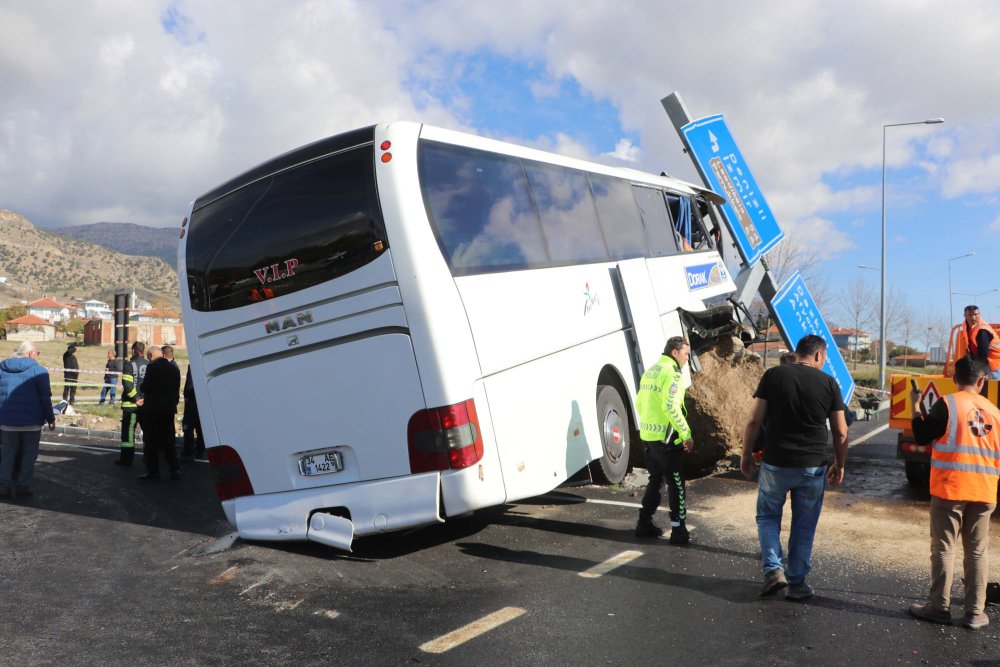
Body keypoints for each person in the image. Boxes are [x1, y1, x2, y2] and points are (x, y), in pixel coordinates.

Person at [740, 334, 848, 600]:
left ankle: (774, 571)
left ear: (798, 352)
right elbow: (841, 431)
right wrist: (840, 463)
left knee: (767, 517)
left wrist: (745, 454)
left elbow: (754, 421)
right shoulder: (829, 383)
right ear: (819, 356)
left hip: (775, 463)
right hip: (812, 466)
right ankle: (797, 583)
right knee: (804, 524)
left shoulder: (773, 376)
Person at [908, 356, 1000, 630]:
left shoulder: (947, 404)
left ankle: (939, 606)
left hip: (951, 488)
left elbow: (923, 434)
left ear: (955, 378)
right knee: (976, 551)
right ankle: (974, 613)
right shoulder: (995, 412)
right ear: (983, 381)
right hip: (984, 491)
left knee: (944, 547)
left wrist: (916, 405)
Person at [634, 336, 693, 545]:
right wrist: (686, 434)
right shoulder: (673, 374)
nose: (688, 358)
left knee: (656, 479)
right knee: (676, 483)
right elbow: (671, 406)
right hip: (667, 439)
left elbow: (640, 402)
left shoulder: (652, 370)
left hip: (649, 436)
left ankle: (644, 522)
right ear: (675, 352)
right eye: (686, 353)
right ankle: (678, 530)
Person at [0, 342, 56, 499]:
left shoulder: (2, 369)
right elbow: (45, 397)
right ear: (31, 353)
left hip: (7, 422)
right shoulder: (39, 371)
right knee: (28, 456)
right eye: (38, 352)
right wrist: (50, 418)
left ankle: (3, 485)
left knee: (7, 456)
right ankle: (23, 485)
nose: (38, 355)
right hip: (31, 422)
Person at [137, 345, 181, 481]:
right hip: (168, 410)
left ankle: (153, 472)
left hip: (153, 410)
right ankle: (174, 469)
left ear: (150, 356)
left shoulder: (152, 367)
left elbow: (146, 386)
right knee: (168, 441)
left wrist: (142, 386)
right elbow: (176, 390)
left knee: (151, 442)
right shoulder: (174, 368)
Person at [115, 341, 148, 467]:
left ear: (134, 351)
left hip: (131, 406)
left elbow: (127, 384)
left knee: (128, 434)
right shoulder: (149, 364)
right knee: (148, 433)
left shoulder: (129, 365)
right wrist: (144, 399)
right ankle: (149, 458)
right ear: (143, 351)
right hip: (146, 406)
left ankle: (127, 459)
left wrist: (136, 399)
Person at [954, 305, 1000, 381]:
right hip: (984, 362)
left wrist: (979, 371)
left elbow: (983, 354)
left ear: (979, 314)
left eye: (976, 314)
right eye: (970, 315)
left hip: (994, 364)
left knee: (994, 390)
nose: (973, 318)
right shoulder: (966, 325)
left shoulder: (982, 330)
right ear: (965, 316)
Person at [180, 367, 206, 461]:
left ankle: (188, 451)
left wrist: (186, 395)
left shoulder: (194, 367)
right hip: (203, 401)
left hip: (192, 402)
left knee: (188, 427)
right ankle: (201, 450)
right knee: (201, 427)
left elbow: (189, 387)